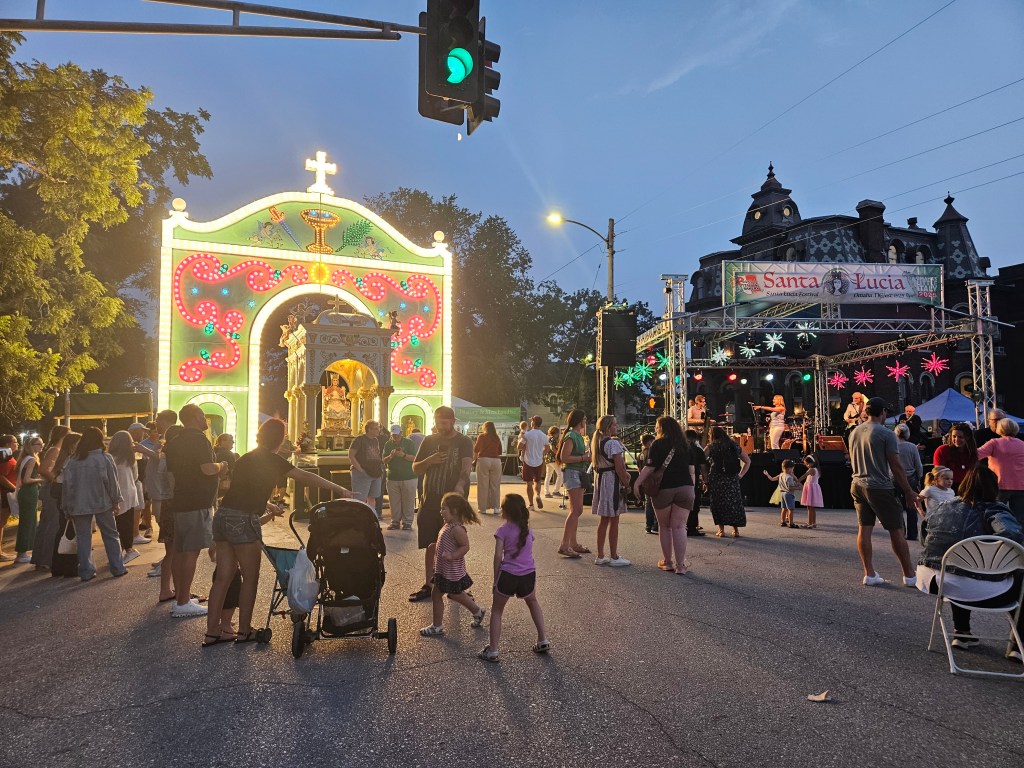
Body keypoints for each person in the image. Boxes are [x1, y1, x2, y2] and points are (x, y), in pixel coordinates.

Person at [205, 417, 350, 646]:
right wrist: (337, 487)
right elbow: (306, 476)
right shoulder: (273, 460)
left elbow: (243, 488)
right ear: (280, 439)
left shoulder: (245, 457)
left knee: (223, 576)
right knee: (250, 577)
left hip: (223, 516)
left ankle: (212, 632)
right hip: (243, 520)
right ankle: (244, 631)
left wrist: (266, 505)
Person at [917, 464, 1024, 658]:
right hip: (987, 591)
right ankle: (1018, 646)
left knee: (959, 563)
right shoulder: (994, 510)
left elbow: (924, 540)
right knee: (999, 571)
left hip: (938, 583)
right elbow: (1012, 535)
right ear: (994, 488)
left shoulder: (942, 508)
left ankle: (961, 632)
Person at [848, 397, 919, 587]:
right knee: (897, 529)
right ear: (883, 412)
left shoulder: (854, 432)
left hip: (857, 484)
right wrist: (909, 491)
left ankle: (869, 573)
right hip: (879, 486)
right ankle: (910, 575)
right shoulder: (886, 434)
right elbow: (896, 467)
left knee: (864, 528)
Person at [164, 403, 226, 618]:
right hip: (197, 501)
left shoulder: (174, 442)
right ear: (194, 417)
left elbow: (170, 475)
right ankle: (182, 602)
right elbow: (207, 468)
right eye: (202, 416)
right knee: (191, 552)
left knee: (180, 551)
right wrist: (222, 466)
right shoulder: (199, 440)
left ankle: (183, 596)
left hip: (180, 500)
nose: (205, 421)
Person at [409, 406, 475, 602]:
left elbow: (466, 467)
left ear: (453, 421)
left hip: (453, 500)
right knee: (431, 544)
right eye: (437, 422)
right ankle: (430, 584)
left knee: (455, 543)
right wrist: (430, 460)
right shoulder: (429, 441)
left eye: (444, 423)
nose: (440, 426)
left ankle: (457, 585)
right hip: (430, 498)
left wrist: (460, 486)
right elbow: (416, 468)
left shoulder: (463, 441)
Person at [478, 493, 550, 662]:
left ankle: (493, 650)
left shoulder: (502, 531)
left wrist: (495, 579)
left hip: (508, 575)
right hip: (527, 574)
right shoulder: (528, 530)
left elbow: (497, 557)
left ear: (505, 511)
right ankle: (543, 639)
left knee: (497, 610)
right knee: (533, 602)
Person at [60, 427, 127, 581]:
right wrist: (116, 501)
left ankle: (86, 571)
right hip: (102, 501)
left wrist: (67, 506)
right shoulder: (104, 458)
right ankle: (117, 567)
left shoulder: (73, 461)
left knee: (83, 537)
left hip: (79, 504)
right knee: (110, 534)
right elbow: (112, 483)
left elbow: (67, 486)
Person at [419, 492, 486, 636]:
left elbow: (465, 546)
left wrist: (452, 555)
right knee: (444, 594)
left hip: (451, 571)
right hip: (444, 570)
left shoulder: (456, 529)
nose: (441, 512)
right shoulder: (448, 525)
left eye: (444, 508)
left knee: (448, 594)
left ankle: (439, 625)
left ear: (454, 511)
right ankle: (476, 612)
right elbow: (447, 542)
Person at [634, 416, 694, 573]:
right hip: (686, 487)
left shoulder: (657, 444)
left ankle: (667, 562)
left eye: (657, 426)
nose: (655, 429)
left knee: (665, 526)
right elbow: (692, 471)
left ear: (662, 428)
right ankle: (681, 566)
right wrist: (692, 488)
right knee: (680, 526)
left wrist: (637, 483)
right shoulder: (686, 445)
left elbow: (650, 468)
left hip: (664, 489)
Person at [590, 415, 632, 567]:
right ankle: (614, 556)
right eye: (614, 424)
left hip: (602, 479)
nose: (617, 426)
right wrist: (627, 484)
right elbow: (620, 467)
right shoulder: (613, 443)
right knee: (614, 518)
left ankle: (601, 555)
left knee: (604, 519)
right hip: (611, 481)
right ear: (608, 427)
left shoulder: (597, 441)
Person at [31, 425, 70, 570]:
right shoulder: (55, 450)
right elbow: (43, 469)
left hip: (48, 489)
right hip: (51, 490)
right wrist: (57, 479)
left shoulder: (52, 449)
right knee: (52, 524)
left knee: (46, 524)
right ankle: (48, 558)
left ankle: (41, 558)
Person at [556, 409, 591, 559]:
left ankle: (573, 543)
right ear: (578, 421)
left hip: (576, 473)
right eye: (584, 419)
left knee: (576, 510)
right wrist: (584, 457)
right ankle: (565, 544)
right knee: (576, 510)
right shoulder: (571, 436)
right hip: (572, 473)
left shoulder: (576, 435)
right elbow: (565, 457)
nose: (585, 421)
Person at [107, 430, 146, 565]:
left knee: (117, 525)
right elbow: (135, 477)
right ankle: (126, 549)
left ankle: (125, 550)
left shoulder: (110, 458)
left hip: (117, 494)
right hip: (130, 492)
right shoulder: (131, 459)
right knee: (126, 523)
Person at [976, 417, 1024, 524]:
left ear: (999, 429)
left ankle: (998, 537)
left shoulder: (994, 443)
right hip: (1021, 486)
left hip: (999, 485)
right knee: (1020, 518)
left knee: (995, 515)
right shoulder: (1022, 444)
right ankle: (1019, 539)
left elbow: (976, 455)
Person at [48, 432, 82, 578]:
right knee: (70, 531)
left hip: (61, 495)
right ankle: (69, 568)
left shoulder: (62, 459)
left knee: (63, 530)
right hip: (68, 496)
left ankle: (58, 566)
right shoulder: (71, 460)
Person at [707, 426, 750, 538]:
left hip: (716, 477)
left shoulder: (712, 446)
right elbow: (747, 461)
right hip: (732, 478)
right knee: (733, 503)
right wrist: (740, 474)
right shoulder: (734, 445)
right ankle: (735, 530)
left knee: (718, 503)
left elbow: (701, 459)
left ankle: (721, 530)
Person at [12, 435, 45, 563]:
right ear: (31, 446)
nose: (42, 446)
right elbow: (26, 480)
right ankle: (22, 552)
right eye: (39, 444)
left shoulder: (25, 458)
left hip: (26, 492)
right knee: (28, 522)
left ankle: (23, 551)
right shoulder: (31, 459)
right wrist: (41, 479)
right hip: (29, 491)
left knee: (27, 521)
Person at [383, 424, 418, 529]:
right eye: (394, 435)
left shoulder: (409, 443)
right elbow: (384, 460)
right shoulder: (388, 444)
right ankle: (395, 522)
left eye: (397, 435)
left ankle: (407, 522)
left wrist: (403, 455)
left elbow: (415, 458)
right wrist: (391, 456)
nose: (396, 437)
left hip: (409, 476)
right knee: (394, 501)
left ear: (401, 433)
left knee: (408, 500)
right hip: (393, 477)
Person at [894, 423, 924, 540]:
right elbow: (918, 465)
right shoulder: (912, 447)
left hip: (894, 479)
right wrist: (919, 478)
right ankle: (912, 534)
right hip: (910, 478)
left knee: (897, 507)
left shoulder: (892, 446)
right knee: (911, 506)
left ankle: (900, 532)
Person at [349, 421, 384, 509]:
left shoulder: (376, 440)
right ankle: (359, 519)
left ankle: (371, 516)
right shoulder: (359, 439)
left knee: (372, 497)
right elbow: (351, 455)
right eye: (376, 428)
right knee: (360, 499)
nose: (378, 430)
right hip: (363, 472)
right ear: (369, 429)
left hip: (376, 472)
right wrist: (360, 469)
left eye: (378, 428)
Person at [933, 423, 978, 490]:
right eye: (954, 436)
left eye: (960, 437)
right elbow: (938, 473)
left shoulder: (972, 452)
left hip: (968, 487)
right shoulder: (942, 450)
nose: (956, 439)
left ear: (968, 437)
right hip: (948, 488)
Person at [473, 421, 503, 517]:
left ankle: (482, 508)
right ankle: (496, 508)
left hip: (484, 460)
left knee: (483, 485)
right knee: (495, 485)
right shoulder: (496, 437)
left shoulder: (482, 436)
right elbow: (500, 451)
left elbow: (476, 449)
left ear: (484, 428)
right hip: (496, 462)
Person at [519, 416, 548, 511]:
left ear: (533, 423)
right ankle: (538, 495)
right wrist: (541, 453)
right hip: (539, 461)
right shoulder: (544, 436)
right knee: (538, 481)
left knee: (529, 483)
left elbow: (520, 446)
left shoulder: (527, 435)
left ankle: (531, 505)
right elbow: (547, 448)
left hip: (528, 461)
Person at [685, 428, 709, 536]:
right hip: (694, 481)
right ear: (695, 439)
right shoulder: (698, 451)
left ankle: (681, 526)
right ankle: (692, 527)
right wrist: (706, 481)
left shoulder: (680, 449)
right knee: (694, 505)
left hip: (681, 480)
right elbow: (703, 468)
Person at [764, 460, 800, 529]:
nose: (793, 470)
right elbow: (790, 488)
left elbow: (772, 479)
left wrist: (767, 474)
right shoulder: (789, 477)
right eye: (792, 468)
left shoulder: (781, 475)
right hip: (789, 494)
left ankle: (783, 522)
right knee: (791, 509)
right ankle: (791, 523)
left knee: (784, 508)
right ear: (789, 468)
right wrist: (798, 488)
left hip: (782, 493)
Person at [0, 434, 19, 562]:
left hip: (6, 492)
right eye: (15, 442)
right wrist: (13, 488)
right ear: (7, 444)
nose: (17, 444)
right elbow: (1, 476)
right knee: (1, 522)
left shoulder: (6, 455)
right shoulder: (5, 456)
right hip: (4, 493)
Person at [638, 433, 658, 535]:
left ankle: (648, 525)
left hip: (645, 480)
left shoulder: (641, 454)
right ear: (650, 442)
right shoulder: (651, 452)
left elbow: (639, 468)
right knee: (655, 503)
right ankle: (655, 524)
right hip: (653, 480)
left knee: (648, 503)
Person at [799, 455, 823, 529]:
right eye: (806, 464)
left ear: (813, 462)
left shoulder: (812, 469)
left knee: (810, 507)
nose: (807, 465)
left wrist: (796, 480)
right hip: (811, 488)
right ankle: (813, 523)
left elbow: (804, 476)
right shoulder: (816, 469)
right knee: (811, 507)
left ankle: (810, 523)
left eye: (808, 464)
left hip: (811, 488)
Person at [213, 433, 239, 500]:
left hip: (214, 484)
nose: (233, 442)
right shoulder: (229, 454)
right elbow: (233, 471)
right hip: (226, 485)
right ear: (222, 441)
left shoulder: (213, 452)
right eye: (230, 440)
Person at [543, 425, 563, 499]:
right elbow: (552, 448)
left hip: (548, 459)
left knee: (548, 475)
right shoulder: (553, 439)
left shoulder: (547, 438)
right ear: (556, 433)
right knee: (560, 474)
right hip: (553, 459)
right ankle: (556, 491)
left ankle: (546, 492)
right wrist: (558, 454)